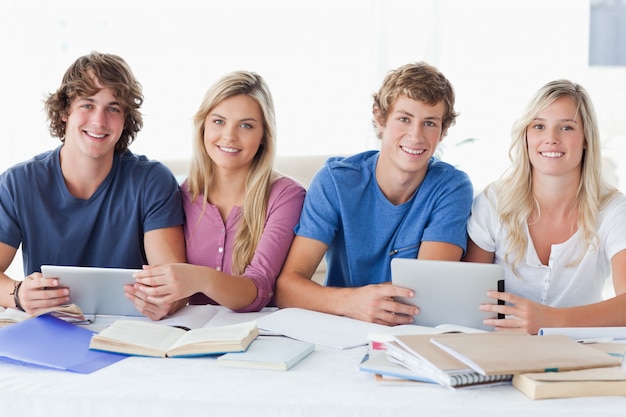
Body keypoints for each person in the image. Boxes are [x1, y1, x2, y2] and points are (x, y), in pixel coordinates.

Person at [274, 62, 474, 325]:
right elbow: (287, 288)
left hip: (409, 329)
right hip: (341, 324)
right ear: (380, 119)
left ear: (444, 130)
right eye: (404, 119)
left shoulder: (452, 188)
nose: (416, 136)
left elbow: (427, 294)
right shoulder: (336, 181)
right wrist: (352, 303)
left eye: (429, 123)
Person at [0, 52, 186, 320]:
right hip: (52, 327)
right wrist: (17, 294)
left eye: (113, 108)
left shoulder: (152, 181)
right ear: (65, 112)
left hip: (132, 328)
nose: (99, 121)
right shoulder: (18, 184)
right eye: (87, 105)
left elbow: (171, 279)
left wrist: (169, 300)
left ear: (125, 119)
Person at [129, 71, 305, 312]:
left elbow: (258, 289)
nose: (229, 137)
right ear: (203, 128)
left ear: (264, 134)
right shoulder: (180, 194)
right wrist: (158, 302)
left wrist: (200, 278)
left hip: (261, 336)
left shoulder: (286, 197)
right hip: (191, 334)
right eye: (219, 121)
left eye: (246, 125)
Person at [464, 79, 626, 334]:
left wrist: (551, 320)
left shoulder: (613, 210)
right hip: (502, 349)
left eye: (566, 128)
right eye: (539, 126)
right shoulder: (493, 203)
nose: (551, 139)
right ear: (526, 136)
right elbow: (467, 299)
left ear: (586, 139)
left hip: (582, 356)